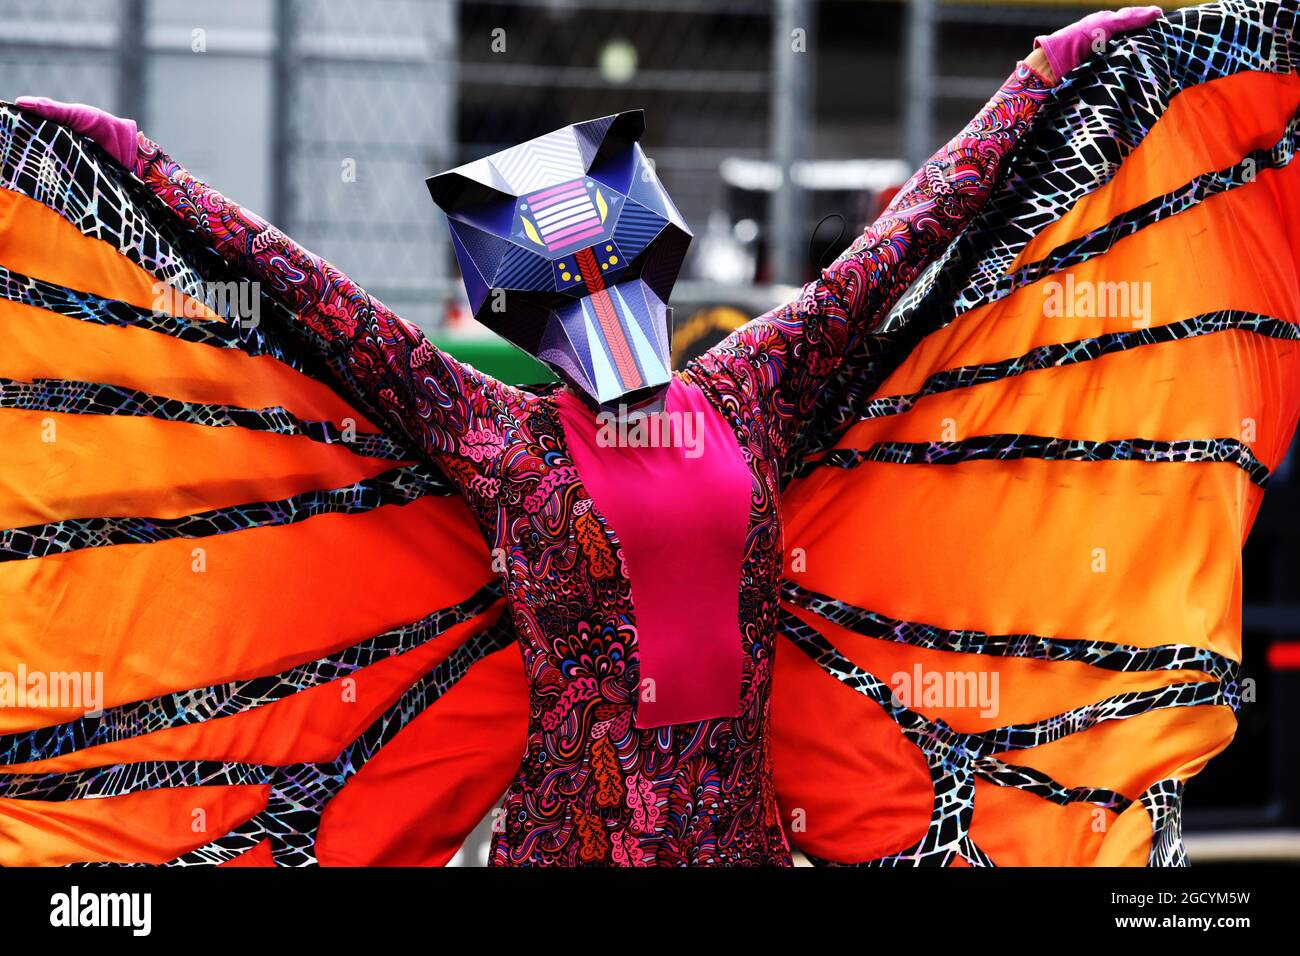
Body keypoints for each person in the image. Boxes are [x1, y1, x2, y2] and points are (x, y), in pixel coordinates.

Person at [15, 6, 1162, 866]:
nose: (598, 296)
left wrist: (1045, 77)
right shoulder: (498, 436)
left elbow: (900, 245)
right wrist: (131, 172)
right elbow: (318, 308)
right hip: (572, 844)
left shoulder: (747, 390)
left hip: (737, 842)